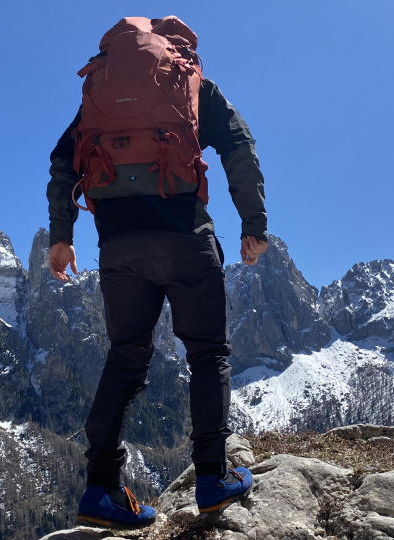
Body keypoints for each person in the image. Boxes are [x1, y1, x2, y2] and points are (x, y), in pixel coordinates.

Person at [45, 16, 268, 528]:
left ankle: (100, 489)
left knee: (126, 358)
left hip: (119, 245)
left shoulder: (99, 95)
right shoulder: (191, 83)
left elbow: (62, 163)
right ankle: (212, 477)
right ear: (180, 49)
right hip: (185, 236)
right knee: (207, 351)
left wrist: (62, 237)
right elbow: (240, 148)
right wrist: (253, 225)